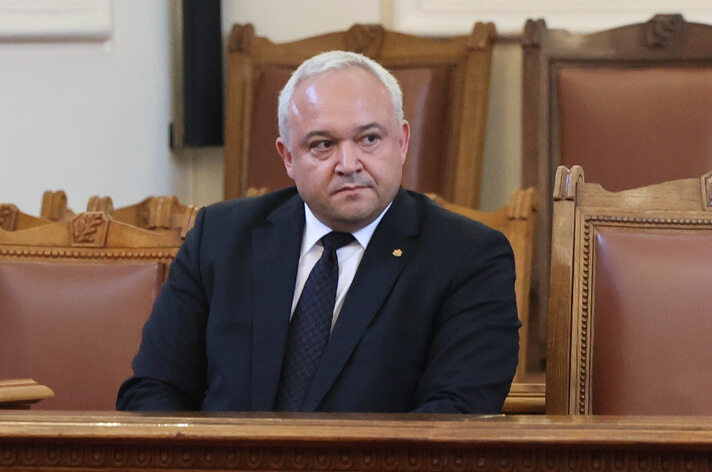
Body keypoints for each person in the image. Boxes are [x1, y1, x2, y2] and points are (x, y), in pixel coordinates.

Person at [117, 51, 520, 413]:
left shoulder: (468, 256)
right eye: (323, 144)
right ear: (288, 157)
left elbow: (455, 417)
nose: (349, 163)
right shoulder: (220, 239)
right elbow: (154, 389)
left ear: (401, 142)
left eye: (369, 139)